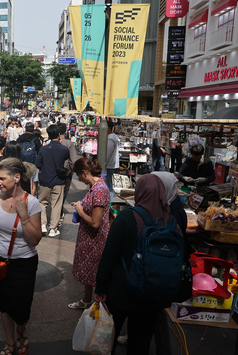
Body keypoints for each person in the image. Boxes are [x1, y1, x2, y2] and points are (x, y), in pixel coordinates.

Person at [94, 174, 180, 354]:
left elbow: (110, 255)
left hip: (122, 290)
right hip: (153, 294)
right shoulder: (172, 222)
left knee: (108, 339)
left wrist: (101, 287)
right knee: (140, 343)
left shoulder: (127, 217)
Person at [0, 158, 42, 355]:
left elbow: (35, 240)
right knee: (4, 306)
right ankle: (10, 342)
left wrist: (23, 215)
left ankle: (21, 330)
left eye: (2, 178)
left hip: (24, 264)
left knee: (23, 307)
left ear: (17, 178)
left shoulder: (32, 203)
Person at [68, 158, 110, 310]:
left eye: (79, 176)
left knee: (95, 272)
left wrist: (80, 210)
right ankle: (87, 300)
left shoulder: (99, 190)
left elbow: (95, 222)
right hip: (90, 238)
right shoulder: (96, 187)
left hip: (95, 239)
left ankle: (99, 306)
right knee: (89, 271)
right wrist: (81, 205)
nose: (79, 179)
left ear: (85, 173)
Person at [35, 124, 70, 237]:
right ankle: (53, 229)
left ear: (48, 136)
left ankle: (42, 225)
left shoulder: (43, 149)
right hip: (59, 181)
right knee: (56, 205)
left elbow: (38, 164)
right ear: (59, 134)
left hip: (45, 180)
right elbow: (66, 161)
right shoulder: (64, 149)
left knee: (42, 203)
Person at [58, 123, 77, 222]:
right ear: (65, 132)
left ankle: (57, 212)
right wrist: (73, 170)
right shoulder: (69, 143)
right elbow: (73, 160)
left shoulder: (49, 143)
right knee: (63, 193)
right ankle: (59, 213)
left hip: (52, 172)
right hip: (66, 173)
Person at [106, 119, 120, 201]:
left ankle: (109, 202)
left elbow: (108, 154)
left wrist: (103, 164)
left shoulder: (110, 139)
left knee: (109, 185)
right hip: (112, 164)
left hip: (109, 165)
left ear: (108, 128)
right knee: (109, 184)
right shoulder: (114, 137)